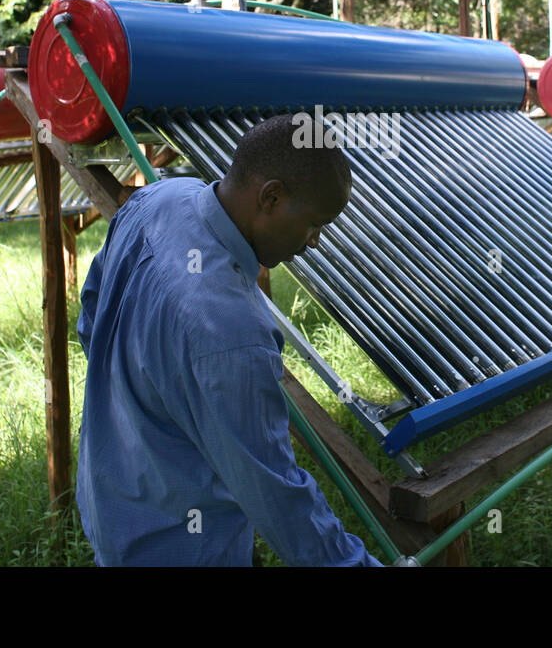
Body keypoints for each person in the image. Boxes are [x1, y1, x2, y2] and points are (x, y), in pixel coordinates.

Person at [75, 112, 383, 566]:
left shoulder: (159, 199)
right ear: (272, 196)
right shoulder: (232, 334)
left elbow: (92, 315)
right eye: (314, 224)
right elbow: (275, 495)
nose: (314, 243)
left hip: (113, 512)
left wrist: (148, 396)